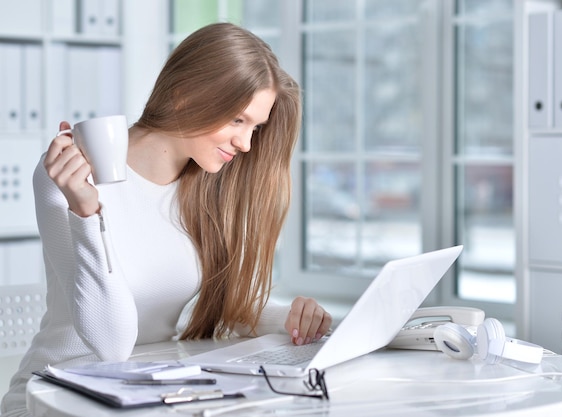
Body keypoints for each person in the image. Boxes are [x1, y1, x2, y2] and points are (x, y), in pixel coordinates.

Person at [1, 22, 332, 417]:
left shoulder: (207, 184)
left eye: (255, 127)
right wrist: (86, 212)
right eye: (237, 121)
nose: (245, 144)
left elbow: (225, 308)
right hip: (56, 399)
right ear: (184, 97)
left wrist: (293, 319)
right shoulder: (69, 174)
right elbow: (112, 342)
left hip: (147, 393)